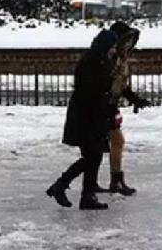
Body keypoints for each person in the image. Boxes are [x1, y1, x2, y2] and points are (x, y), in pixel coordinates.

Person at [46, 29, 118, 210]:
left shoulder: (100, 61)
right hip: (86, 118)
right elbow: (92, 93)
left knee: (93, 156)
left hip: (92, 117)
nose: (114, 50)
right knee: (92, 156)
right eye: (112, 46)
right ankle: (68, 188)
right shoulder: (91, 63)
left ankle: (79, 191)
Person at [101, 21, 151, 196]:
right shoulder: (111, 59)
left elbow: (120, 85)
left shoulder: (120, 59)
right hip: (103, 107)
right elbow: (105, 84)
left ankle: (112, 180)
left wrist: (134, 99)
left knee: (110, 144)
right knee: (113, 143)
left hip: (108, 105)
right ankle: (114, 180)